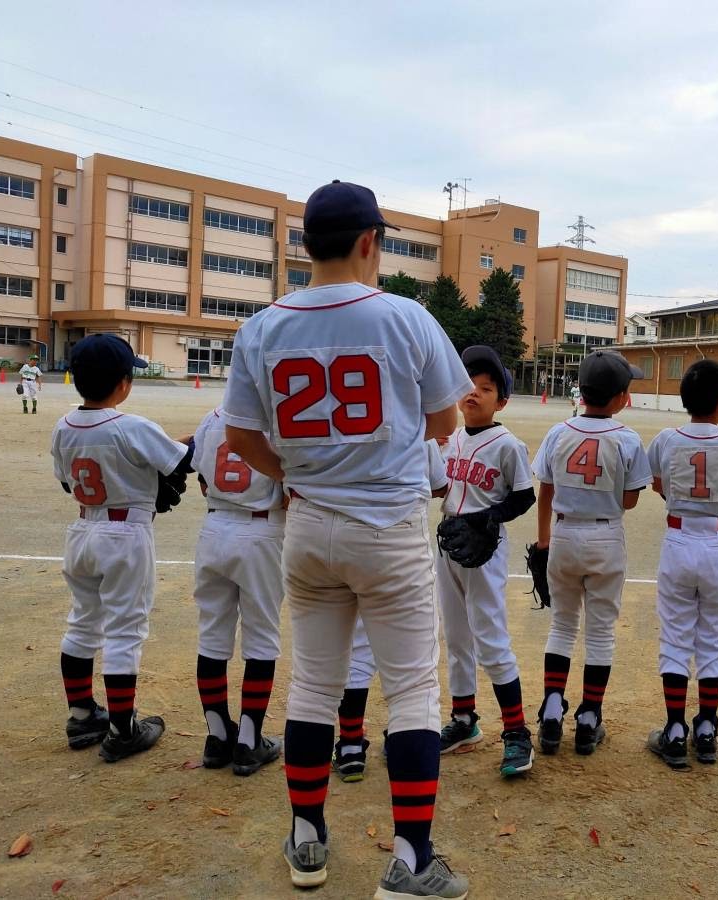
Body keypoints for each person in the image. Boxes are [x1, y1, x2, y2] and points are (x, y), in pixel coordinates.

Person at [221, 180, 471, 896]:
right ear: (370, 241)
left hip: (308, 524)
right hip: (387, 523)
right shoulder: (405, 316)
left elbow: (241, 436)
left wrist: (297, 474)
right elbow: (445, 421)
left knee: (312, 684)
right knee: (413, 689)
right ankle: (412, 860)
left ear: (307, 243)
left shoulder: (262, 326)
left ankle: (307, 838)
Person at [51, 334, 192, 762]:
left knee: (83, 622)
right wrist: (195, 439)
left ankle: (81, 716)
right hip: (125, 534)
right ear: (123, 383)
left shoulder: (64, 426)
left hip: (83, 529)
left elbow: (67, 483)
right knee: (125, 630)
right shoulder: (132, 426)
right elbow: (181, 462)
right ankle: (123, 729)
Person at [532, 350, 652, 756]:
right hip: (605, 535)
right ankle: (588, 717)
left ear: (581, 392)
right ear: (620, 398)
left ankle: (552, 709)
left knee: (562, 625)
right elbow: (630, 500)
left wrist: (543, 539)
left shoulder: (558, 432)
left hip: (563, 534)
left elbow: (545, 490)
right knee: (600, 630)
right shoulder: (627, 438)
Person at [645, 360, 718, 769]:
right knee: (712, 637)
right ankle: (708, 727)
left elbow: (657, 481)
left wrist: (679, 499)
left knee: (675, 637)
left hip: (679, 538)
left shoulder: (666, 439)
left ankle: (675, 730)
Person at [434, 345, 537, 776]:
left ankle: (516, 732)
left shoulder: (508, 444)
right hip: (449, 544)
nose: (474, 393)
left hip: (485, 549)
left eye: (486, 387)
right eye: (469, 385)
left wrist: (489, 518)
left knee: (491, 640)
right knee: (456, 638)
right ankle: (464, 721)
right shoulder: (451, 440)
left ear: (502, 401)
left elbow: (524, 496)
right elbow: (439, 488)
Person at [334, 439, 448, 784]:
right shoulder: (416, 428)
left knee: (355, 651)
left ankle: (350, 745)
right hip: (401, 546)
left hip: (345, 539)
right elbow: (440, 485)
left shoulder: (335, 425)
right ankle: (404, 744)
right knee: (411, 660)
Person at [190, 407, 284, 776]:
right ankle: (248, 740)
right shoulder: (280, 418)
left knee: (212, 635)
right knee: (261, 637)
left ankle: (217, 736)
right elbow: (293, 491)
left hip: (214, 527)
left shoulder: (213, 416)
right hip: (261, 530)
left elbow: (202, 480)